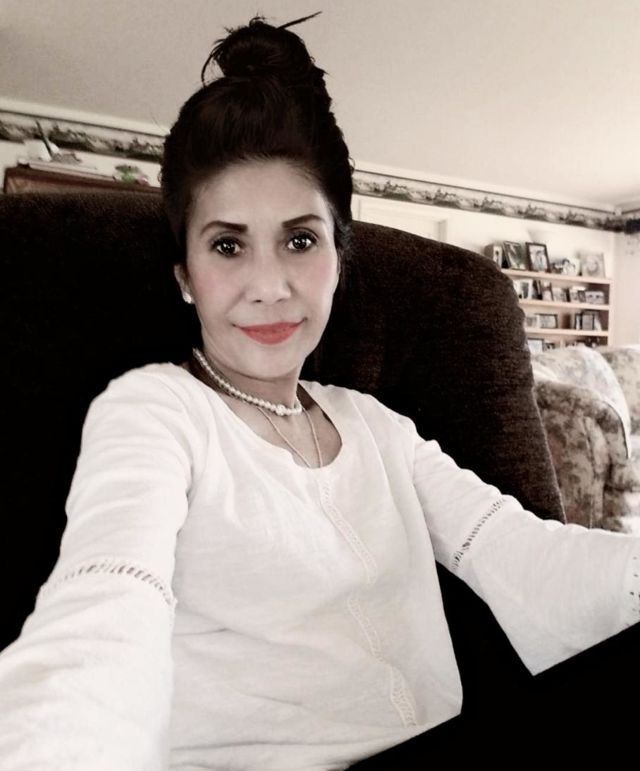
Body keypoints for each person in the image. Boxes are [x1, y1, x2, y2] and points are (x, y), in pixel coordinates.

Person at [0, 13, 639, 770]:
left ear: (339, 257)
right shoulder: (155, 411)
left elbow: (514, 547)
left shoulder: (375, 424)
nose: (269, 285)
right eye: (228, 245)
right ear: (185, 277)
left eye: (300, 240)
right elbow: (108, 595)